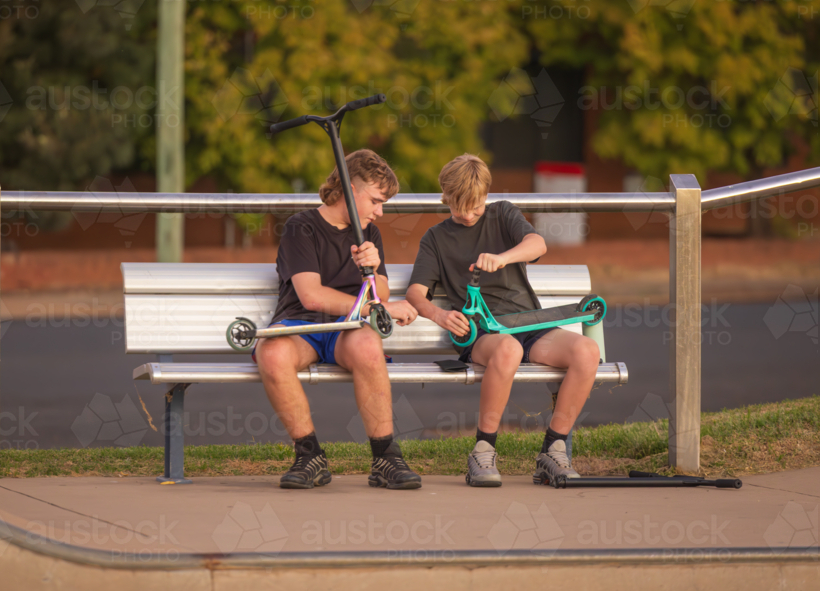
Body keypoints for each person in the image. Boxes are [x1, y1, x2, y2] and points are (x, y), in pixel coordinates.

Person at [405, 154, 600, 487]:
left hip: (528, 323)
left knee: (586, 351)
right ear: (445, 197)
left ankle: (553, 449)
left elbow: (536, 244)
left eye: (476, 207)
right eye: (458, 207)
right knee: (507, 350)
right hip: (482, 331)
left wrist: (502, 258)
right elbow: (415, 294)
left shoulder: (503, 213)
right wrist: (439, 314)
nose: (467, 215)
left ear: (486, 196)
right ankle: (484, 449)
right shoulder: (435, 239)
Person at [254, 149, 422, 490]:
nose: (380, 211)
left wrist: (374, 271)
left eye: (384, 203)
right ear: (350, 190)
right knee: (271, 352)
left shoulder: (368, 233)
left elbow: (383, 294)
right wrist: (376, 310)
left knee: (367, 346)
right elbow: (311, 296)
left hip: (347, 329)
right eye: (376, 201)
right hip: (304, 325)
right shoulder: (301, 227)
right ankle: (309, 456)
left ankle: (385, 457)